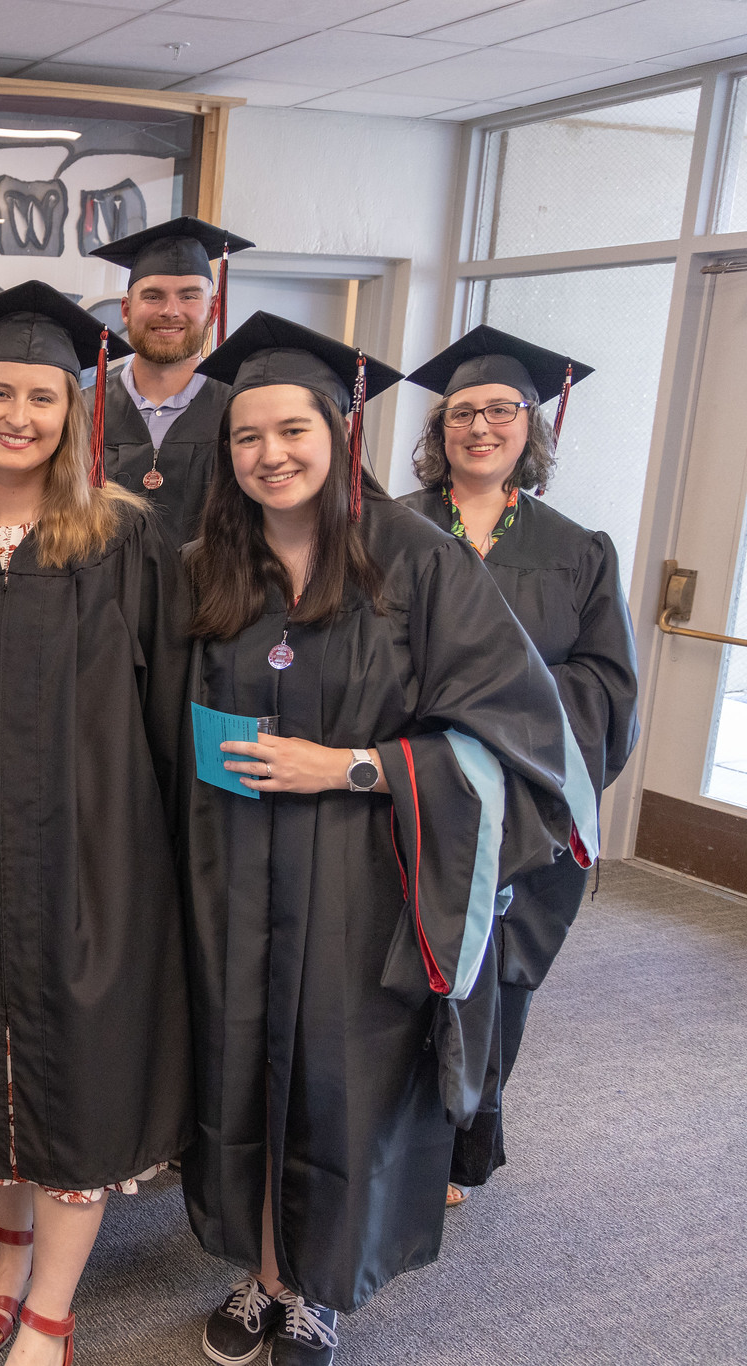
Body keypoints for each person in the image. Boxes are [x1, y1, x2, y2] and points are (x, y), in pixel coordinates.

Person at [181, 314, 590, 1366]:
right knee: (240, 1071)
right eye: (245, 437)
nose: (269, 454)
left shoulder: (414, 562)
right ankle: (259, 1269)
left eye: (291, 430)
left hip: (365, 876)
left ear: (336, 429)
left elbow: (518, 729)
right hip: (232, 870)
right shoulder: (208, 563)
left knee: (339, 1082)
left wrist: (354, 764)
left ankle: (318, 1289)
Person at [0, 282, 191, 1364]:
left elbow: (164, 721)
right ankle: (5, 1245)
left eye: (42, 397)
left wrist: (148, 862)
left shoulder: (122, 543)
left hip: (95, 858)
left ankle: (50, 1302)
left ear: (73, 414)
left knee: (82, 1070)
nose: (18, 414)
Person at [399, 326, 637, 1206]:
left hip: (526, 807)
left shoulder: (579, 549)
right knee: (404, 967)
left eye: (502, 410)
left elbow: (608, 686)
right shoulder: (393, 527)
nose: (482, 426)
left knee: (496, 974)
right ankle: (393, 1133)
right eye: (463, 412)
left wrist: (506, 726)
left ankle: (465, 1143)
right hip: (413, 793)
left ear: (531, 427)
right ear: (442, 430)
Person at [87, 217, 255, 541]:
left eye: (189, 296)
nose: (170, 311)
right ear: (125, 309)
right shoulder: (81, 411)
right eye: (153, 296)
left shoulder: (241, 413)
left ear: (213, 309)